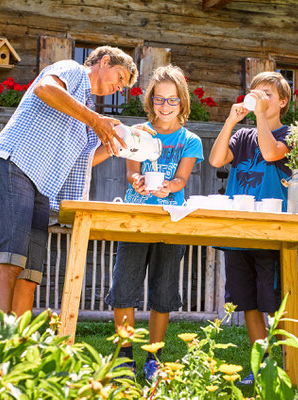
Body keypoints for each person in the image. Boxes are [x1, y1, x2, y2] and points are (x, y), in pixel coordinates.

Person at [0, 46, 141, 317]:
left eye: (123, 85)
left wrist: (125, 141)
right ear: (104, 61)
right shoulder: (73, 70)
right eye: (120, 77)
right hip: (12, 165)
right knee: (9, 262)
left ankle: (21, 351)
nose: (120, 87)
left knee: (29, 275)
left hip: (40, 187)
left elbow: (84, 159)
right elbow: (44, 88)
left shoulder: (86, 108)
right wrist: (95, 120)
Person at [209, 71, 298, 386]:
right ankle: (261, 365)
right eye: (256, 92)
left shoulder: (292, 135)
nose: (260, 97)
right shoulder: (242, 137)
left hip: (273, 233)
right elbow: (215, 160)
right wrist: (231, 121)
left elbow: (269, 154)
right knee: (248, 302)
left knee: (277, 301)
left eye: (267, 93)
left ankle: (294, 365)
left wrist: (260, 117)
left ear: (282, 101)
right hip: (239, 233)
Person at [104, 65, 203, 379]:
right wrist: (137, 181)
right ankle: (124, 357)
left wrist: (168, 186)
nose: (165, 107)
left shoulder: (190, 140)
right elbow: (132, 171)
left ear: (182, 103)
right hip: (136, 217)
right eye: (159, 100)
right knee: (124, 287)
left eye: (172, 101)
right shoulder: (138, 133)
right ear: (150, 101)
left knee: (163, 290)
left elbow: (182, 178)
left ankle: (153, 358)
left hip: (171, 219)